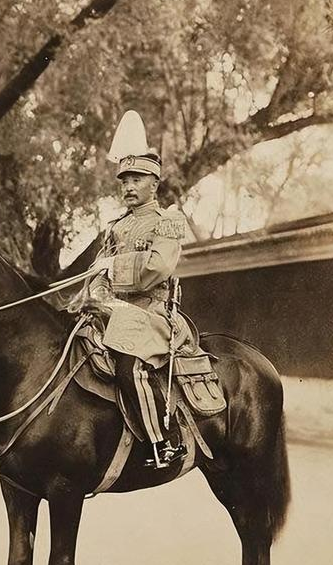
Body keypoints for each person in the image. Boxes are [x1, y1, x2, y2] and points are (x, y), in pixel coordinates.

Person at [89, 111, 199, 468]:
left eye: (137, 179)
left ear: (154, 184)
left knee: (129, 366)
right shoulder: (115, 227)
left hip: (152, 314)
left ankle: (162, 441)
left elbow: (157, 268)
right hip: (115, 311)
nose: (129, 187)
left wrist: (114, 267)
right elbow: (98, 273)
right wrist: (94, 291)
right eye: (124, 181)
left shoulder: (168, 222)